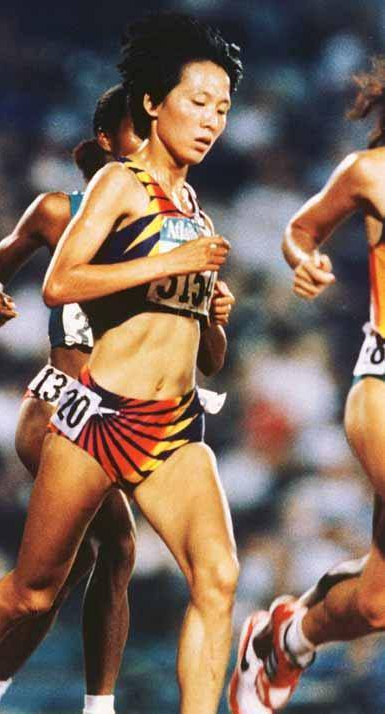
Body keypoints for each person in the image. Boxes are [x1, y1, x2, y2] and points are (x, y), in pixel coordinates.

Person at [0, 13, 241, 714]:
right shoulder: (119, 185)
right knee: (36, 589)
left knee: (218, 577)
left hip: (173, 425)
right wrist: (170, 264)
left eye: (223, 109)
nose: (212, 121)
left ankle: (104, 703)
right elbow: (59, 283)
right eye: (199, 102)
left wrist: (216, 319)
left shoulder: (197, 212)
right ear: (152, 103)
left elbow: (210, 359)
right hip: (96, 415)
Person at [0, 85, 140, 714]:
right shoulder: (61, 210)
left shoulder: (170, 226)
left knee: (66, 573)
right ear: (107, 141)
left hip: (119, 417)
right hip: (62, 407)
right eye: (139, 131)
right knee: (109, 552)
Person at [228, 56, 385, 714]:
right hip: (383, 389)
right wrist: (306, 260)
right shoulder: (370, 172)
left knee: (376, 605)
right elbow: (300, 229)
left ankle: (284, 640)